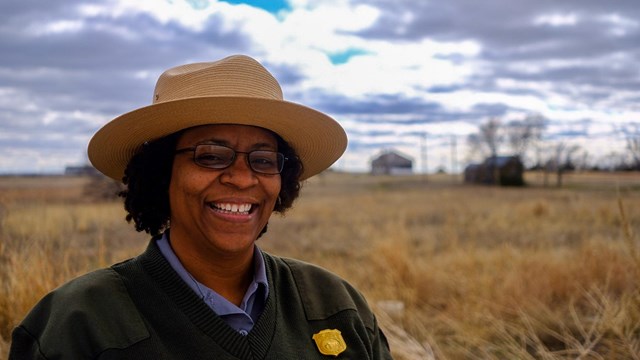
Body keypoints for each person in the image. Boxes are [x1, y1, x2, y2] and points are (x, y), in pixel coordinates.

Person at [9, 55, 393, 359]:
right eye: (210, 156)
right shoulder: (80, 324)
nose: (242, 178)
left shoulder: (335, 304)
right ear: (162, 173)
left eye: (262, 159)